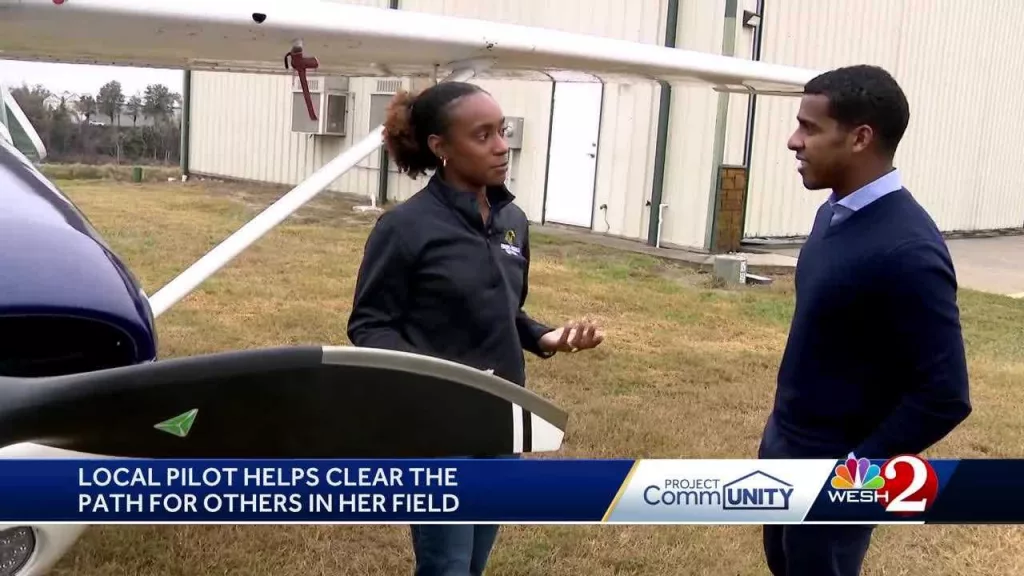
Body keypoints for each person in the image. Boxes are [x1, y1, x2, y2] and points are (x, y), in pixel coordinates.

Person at [346, 81, 604, 576]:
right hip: (437, 426)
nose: (502, 146)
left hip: (503, 416)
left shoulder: (513, 221)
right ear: (440, 147)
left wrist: (545, 336)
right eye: (482, 135)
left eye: (501, 132)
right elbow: (369, 324)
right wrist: (433, 379)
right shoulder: (404, 228)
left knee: (475, 561)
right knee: (447, 565)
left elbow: (506, 310)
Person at [758, 64, 972, 576]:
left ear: (860, 138)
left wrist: (853, 473)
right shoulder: (832, 213)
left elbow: (945, 395)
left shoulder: (909, 249)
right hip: (786, 454)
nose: (794, 141)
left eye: (810, 128)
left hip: (837, 480)